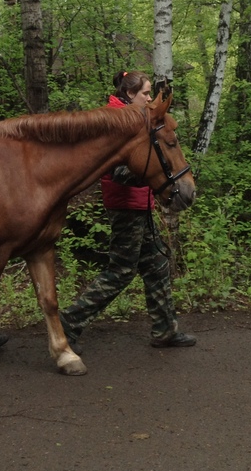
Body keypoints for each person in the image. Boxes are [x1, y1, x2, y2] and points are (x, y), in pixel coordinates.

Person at [60, 70, 196, 350]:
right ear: (129, 94)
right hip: (125, 205)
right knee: (120, 271)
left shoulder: (135, 119)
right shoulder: (116, 121)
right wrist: (157, 179)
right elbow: (116, 172)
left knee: (156, 265)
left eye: (149, 93)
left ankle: (165, 330)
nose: (148, 98)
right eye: (145, 93)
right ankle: (66, 325)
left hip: (139, 204)